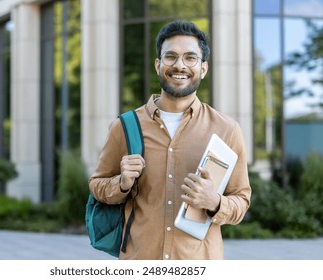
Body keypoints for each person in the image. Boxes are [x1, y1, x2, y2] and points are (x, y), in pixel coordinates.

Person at [89, 21, 251, 260]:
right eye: (171, 56)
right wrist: (122, 183)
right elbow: (97, 186)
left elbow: (241, 199)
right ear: (158, 64)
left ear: (203, 68)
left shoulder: (226, 130)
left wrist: (214, 201)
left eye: (190, 58)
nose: (179, 65)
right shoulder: (124, 127)